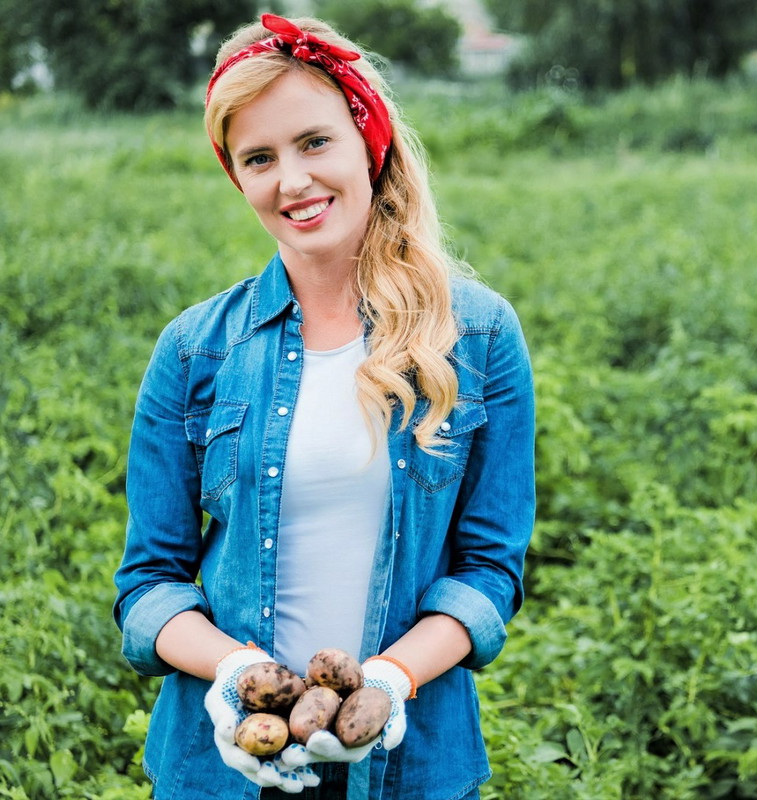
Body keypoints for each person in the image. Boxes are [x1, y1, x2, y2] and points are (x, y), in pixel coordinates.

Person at [112, 13, 536, 799]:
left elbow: (489, 570)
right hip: (223, 765)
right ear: (237, 178)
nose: (292, 181)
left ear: (367, 141)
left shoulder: (475, 335)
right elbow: (149, 583)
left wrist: (391, 680)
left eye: (314, 142)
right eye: (258, 159)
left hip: (412, 765)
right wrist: (234, 671)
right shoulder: (195, 350)